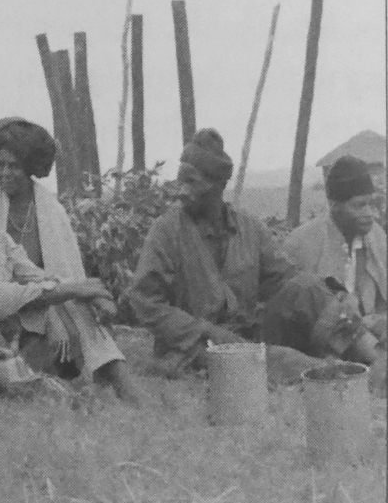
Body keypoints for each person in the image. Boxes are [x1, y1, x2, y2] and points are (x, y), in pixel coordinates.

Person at [127, 129, 384, 384]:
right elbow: (145, 301)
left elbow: (286, 279)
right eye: (180, 180)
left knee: (306, 288)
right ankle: (345, 377)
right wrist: (204, 330)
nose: (181, 191)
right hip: (193, 346)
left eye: (191, 182)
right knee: (281, 361)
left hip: (247, 335)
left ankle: (378, 359)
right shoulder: (166, 231)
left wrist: (333, 298)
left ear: (218, 185)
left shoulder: (250, 228)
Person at [0, 120, 143, 403]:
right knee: (70, 303)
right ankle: (108, 382)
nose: (5, 173)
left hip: (48, 296)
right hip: (7, 305)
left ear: (29, 168)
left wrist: (81, 298)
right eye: (0, 165)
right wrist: (55, 304)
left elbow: (66, 274)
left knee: (81, 309)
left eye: (13, 166)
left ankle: (122, 382)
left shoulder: (51, 211)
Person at [283, 155, 386, 343]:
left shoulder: (377, 236)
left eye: (371, 203)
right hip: (323, 344)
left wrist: (380, 321)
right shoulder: (301, 242)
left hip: (372, 338)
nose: (370, 213)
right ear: (334, 206)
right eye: (360, 205)